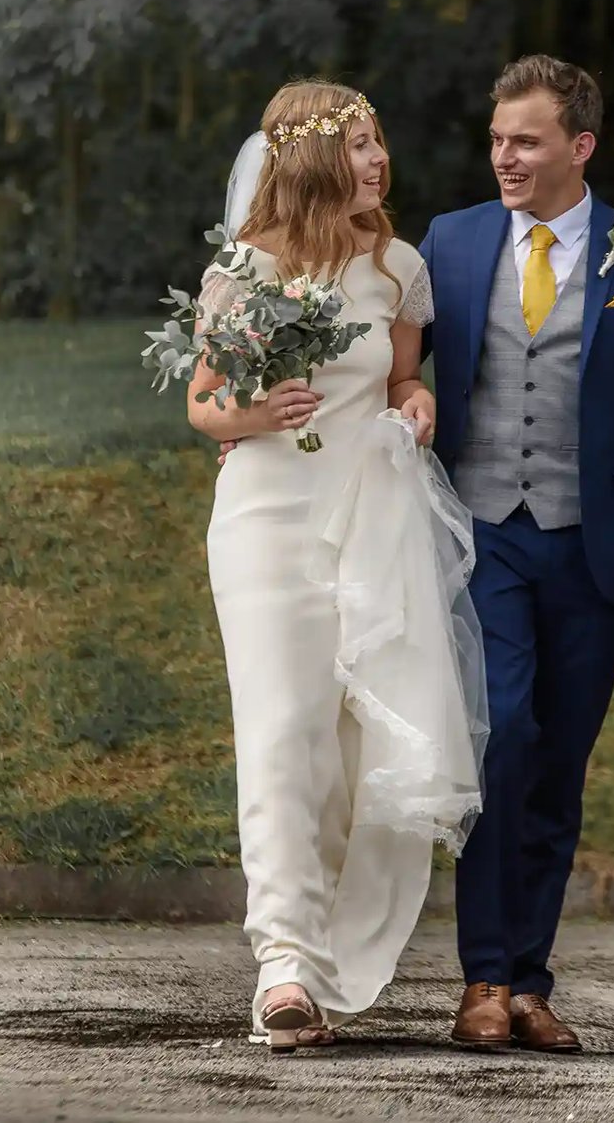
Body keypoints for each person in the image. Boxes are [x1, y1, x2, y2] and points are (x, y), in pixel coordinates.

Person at [417, 54, 614, 1052]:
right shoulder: (453, 240)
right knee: (503, 735)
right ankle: (482, 976)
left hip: (593, 548)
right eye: (497, 140)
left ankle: (530, 983)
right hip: (482, 536)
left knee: (559, 767)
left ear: (579, 146)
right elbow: (393, 368)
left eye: (527, 140)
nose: (505, 157)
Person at [191, 80, 489, 1052]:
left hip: (371, 522)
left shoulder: (398, 267)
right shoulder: (248, 268)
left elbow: (401, 375)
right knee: (284, 733)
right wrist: (254, 412)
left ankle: (326, 961)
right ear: (316, 159)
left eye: (378, 140)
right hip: (267, 522)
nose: (378, 159)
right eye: (359, 144)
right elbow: (202, 403)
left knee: (358, 752)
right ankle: (281, 965)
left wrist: (415, 403)